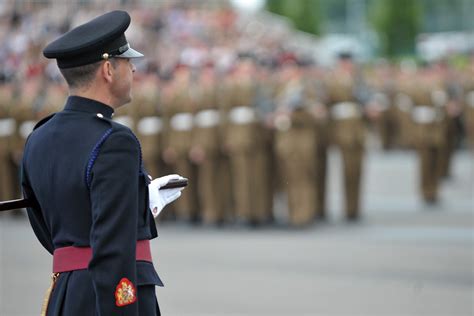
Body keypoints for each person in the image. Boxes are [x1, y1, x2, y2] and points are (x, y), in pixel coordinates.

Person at [20, 10, 185, 315]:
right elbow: (112, 247)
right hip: (108, 299)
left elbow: (48, 224)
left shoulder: (38, 137)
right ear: (108, 69)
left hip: (67, 292)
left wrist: (139, 200)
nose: (134, 70)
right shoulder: (114, 141)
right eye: (127, 62)